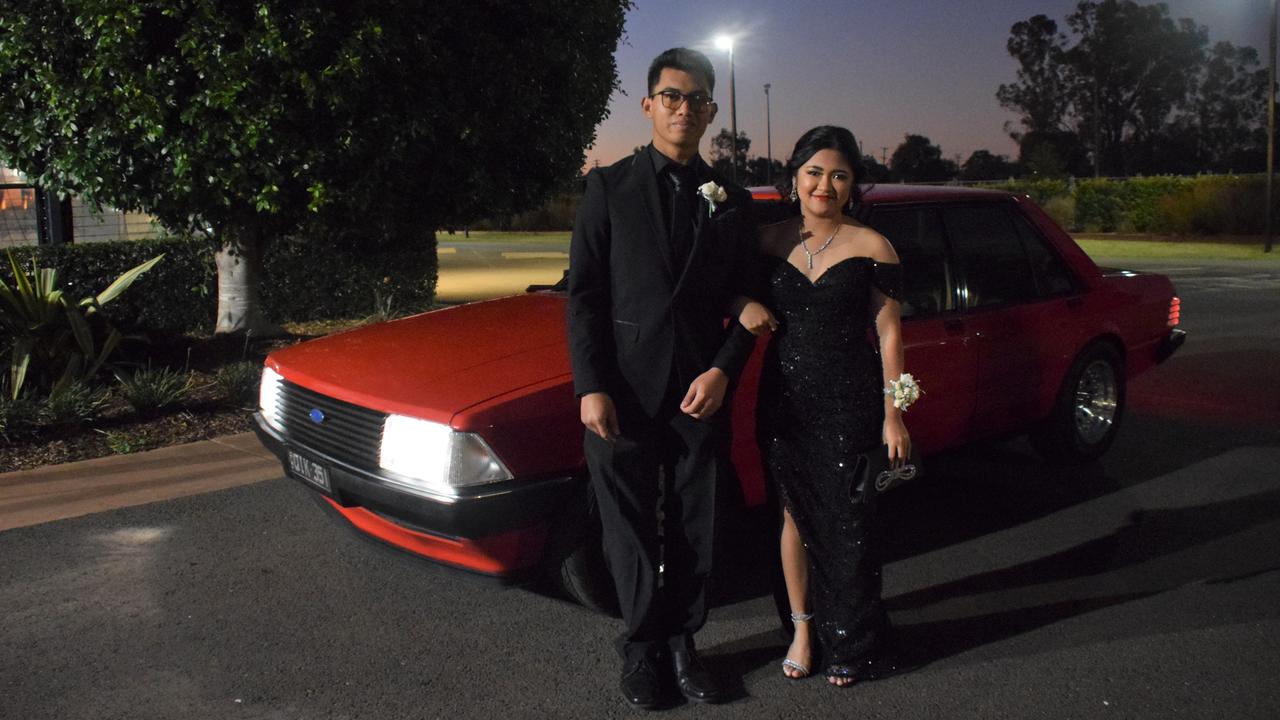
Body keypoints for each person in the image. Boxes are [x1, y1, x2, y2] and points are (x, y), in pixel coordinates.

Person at [566, 47, 757, 709]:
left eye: (697, 98)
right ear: (648, 105)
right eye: (671, 96)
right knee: (628, 528)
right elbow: (584, 294)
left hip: (698, 393)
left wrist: (723, 371)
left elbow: (750, 301)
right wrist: (590, 384)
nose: (684, 108)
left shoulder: (730, 199)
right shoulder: (608, 188)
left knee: (695, 523)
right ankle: (643, 646)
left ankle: (684, 643)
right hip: (620, 391)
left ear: (708, 110)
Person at [734, 125, 916, 687]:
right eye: (814, 172)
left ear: (853, 183)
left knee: (848, 526)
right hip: (785, 403)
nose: (825, 184)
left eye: (838, 174)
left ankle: (854, 640)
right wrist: (741, 302)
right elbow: (724, 290)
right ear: (795, 177)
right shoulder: (767, 241)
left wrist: (895, 412)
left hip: (851, 403)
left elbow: (889, 336)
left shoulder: (873, 246)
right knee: (791, 517)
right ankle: (803, 630)